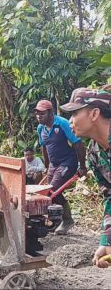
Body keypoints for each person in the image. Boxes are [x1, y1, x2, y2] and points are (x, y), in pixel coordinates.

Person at [60, 86, 111, 268]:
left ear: (94, 114)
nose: (70, 121)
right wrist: (106, 242)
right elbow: (110, 197)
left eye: (74, 114)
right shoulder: (94, 153)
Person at [35, 99, 87, 235]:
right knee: (47, 192)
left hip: (67, 163)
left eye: (42, 113)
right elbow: (44, 148)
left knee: (52, 191)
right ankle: (54, 221)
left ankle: (67, 220)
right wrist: (47, 167)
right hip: (54, 164)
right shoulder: (40, 128)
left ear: (50, 113)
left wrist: (82, 166)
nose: (39, 116)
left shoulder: (62, 123)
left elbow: (78, 144)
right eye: (37, 113)